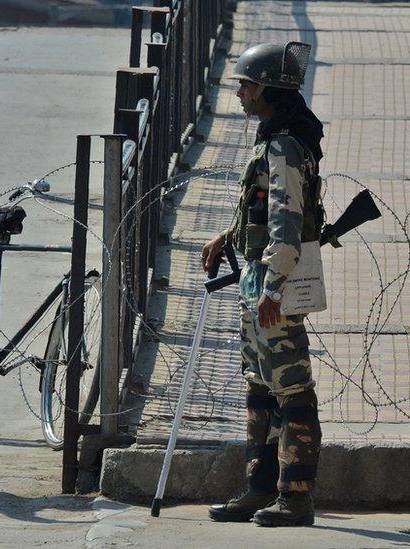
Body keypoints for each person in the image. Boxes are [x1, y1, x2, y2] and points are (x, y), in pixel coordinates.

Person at [202, 42, 324, 527]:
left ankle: (295, 498)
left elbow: (287, 224)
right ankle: (258, 488)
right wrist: (226, 237)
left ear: (268, 91)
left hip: (277, 284)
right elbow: (259, 210)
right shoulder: (273, 137)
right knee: (260, 386)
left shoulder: (286, 146)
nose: (239, 93)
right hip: (259, 277)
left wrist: (273, 289)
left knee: (292, 390)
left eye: (246, 85)